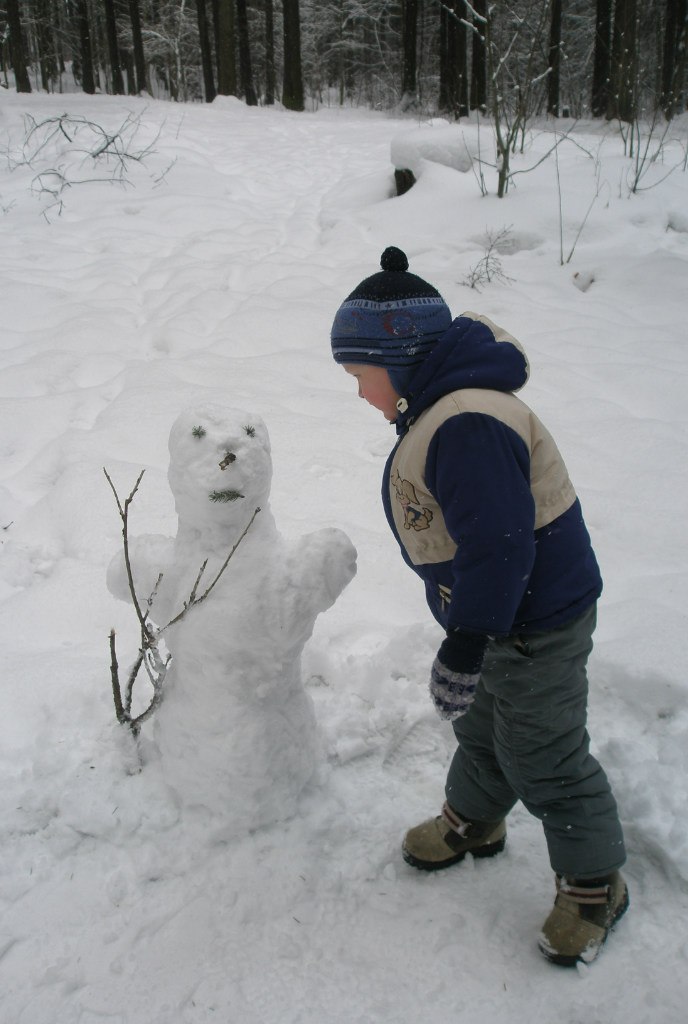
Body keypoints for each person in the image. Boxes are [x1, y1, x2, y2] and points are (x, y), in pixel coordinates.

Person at [330, 246, 628, 967]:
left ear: (396, 361)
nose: (360, 393)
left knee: (546, 755)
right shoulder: (444, 408)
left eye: (361, 375)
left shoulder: (466, 422)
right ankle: (477, 821)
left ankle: (595, 886)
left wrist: (466, 642)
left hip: (536, 624)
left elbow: (500, 548)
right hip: (503, 619)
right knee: (488, 727)